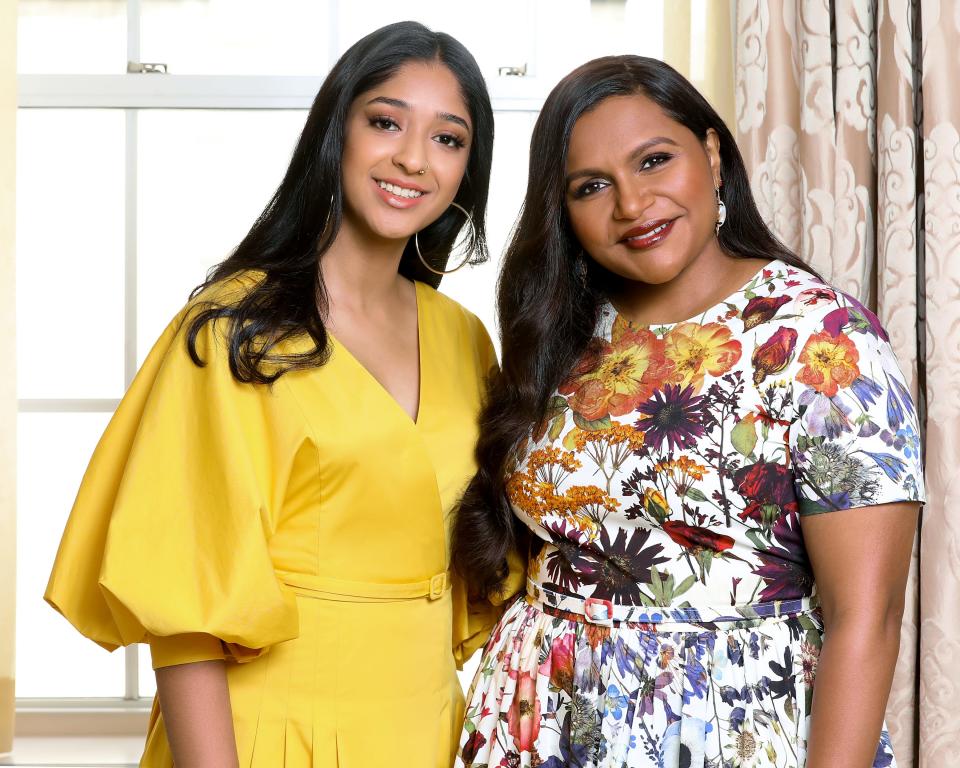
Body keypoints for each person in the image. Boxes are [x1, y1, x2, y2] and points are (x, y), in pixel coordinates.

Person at [46, 20, 506, 768]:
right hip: (264, 730)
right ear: (337, 132)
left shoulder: (464, 338)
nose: (413, 159)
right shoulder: (236, 329)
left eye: (448, 139)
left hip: (425, 730)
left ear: (467, 170)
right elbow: (183, 598)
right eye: (386, 121)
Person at [453, 55, 923, 768]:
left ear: (710, 151)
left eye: (654, 161)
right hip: (538, 723)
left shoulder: (821, 339)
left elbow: (869, 617)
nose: (633, 205)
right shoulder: (564, 333)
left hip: (725, 730)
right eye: (592, 186)